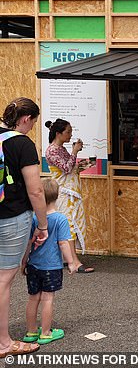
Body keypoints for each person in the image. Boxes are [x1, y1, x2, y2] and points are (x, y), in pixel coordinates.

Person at [0, 97, 48, 358]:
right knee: (3, 280)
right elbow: (36, 190)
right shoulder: (22, 143)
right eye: (33, 122)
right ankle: (3, 343)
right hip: (11, 218)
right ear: (27, 119)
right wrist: (43, 225)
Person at [22, 179, 78, 345]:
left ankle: (31, 332)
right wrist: (71, 262)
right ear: (57, 195)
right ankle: (46, 332)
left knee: (33, 299)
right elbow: (63, 243)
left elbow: (28, 243)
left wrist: (24, 262)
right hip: (51, 267)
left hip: (33, 265)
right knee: (47, 299)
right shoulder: (60, 219)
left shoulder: (33, 219)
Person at [44, 119, 94, 273]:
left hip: (69, 191)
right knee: (69, 225)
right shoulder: (52, 150)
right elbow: (66, 168)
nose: (70, 135)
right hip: (64, 193)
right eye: (68, 132)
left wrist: (83, 164)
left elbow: (70, 167)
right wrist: (75, 152)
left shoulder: (61, 149)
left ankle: (67, 258)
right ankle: (75, 262)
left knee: (71, 223)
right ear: (58, 133)